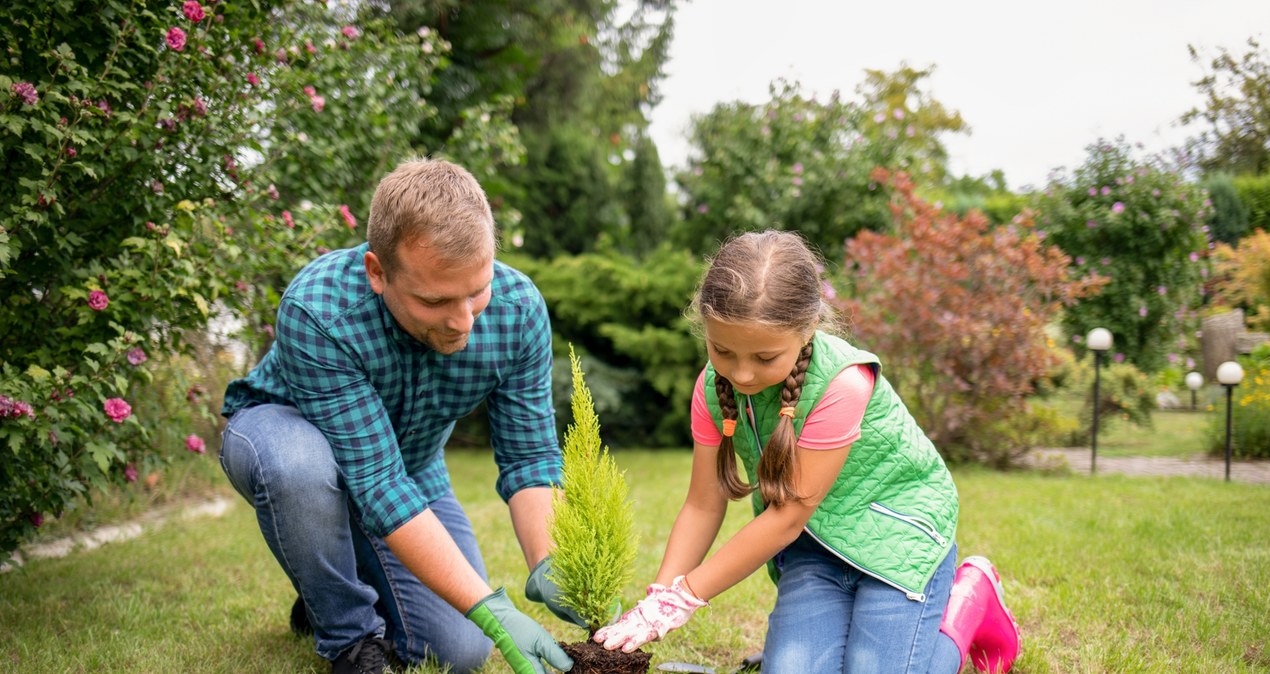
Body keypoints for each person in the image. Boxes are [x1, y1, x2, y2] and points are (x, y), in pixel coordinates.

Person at [593, 230, 1022, 673]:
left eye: (764, 358)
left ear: (808, 328)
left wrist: (687, 596)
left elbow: (787, 517)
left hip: (897, 535)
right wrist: (659, 599)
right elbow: (703, 504)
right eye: (722, 350)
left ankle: (969, 600)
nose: (741, 373)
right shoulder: (711, 387)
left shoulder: (843, 383)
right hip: (816, 547)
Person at [220, 158, 576, 674]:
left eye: (476, 292)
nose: (462, 323)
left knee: (458, 652)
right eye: (435, 300)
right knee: (300, 467)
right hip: (280, 431)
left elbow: (530, 457)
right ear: (377, 273)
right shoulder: (319, 309)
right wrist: (495, 609)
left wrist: (547, 563)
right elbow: (378, 483)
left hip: (412, 464)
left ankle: (329, 580)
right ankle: (349, 637)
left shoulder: (519, 310)